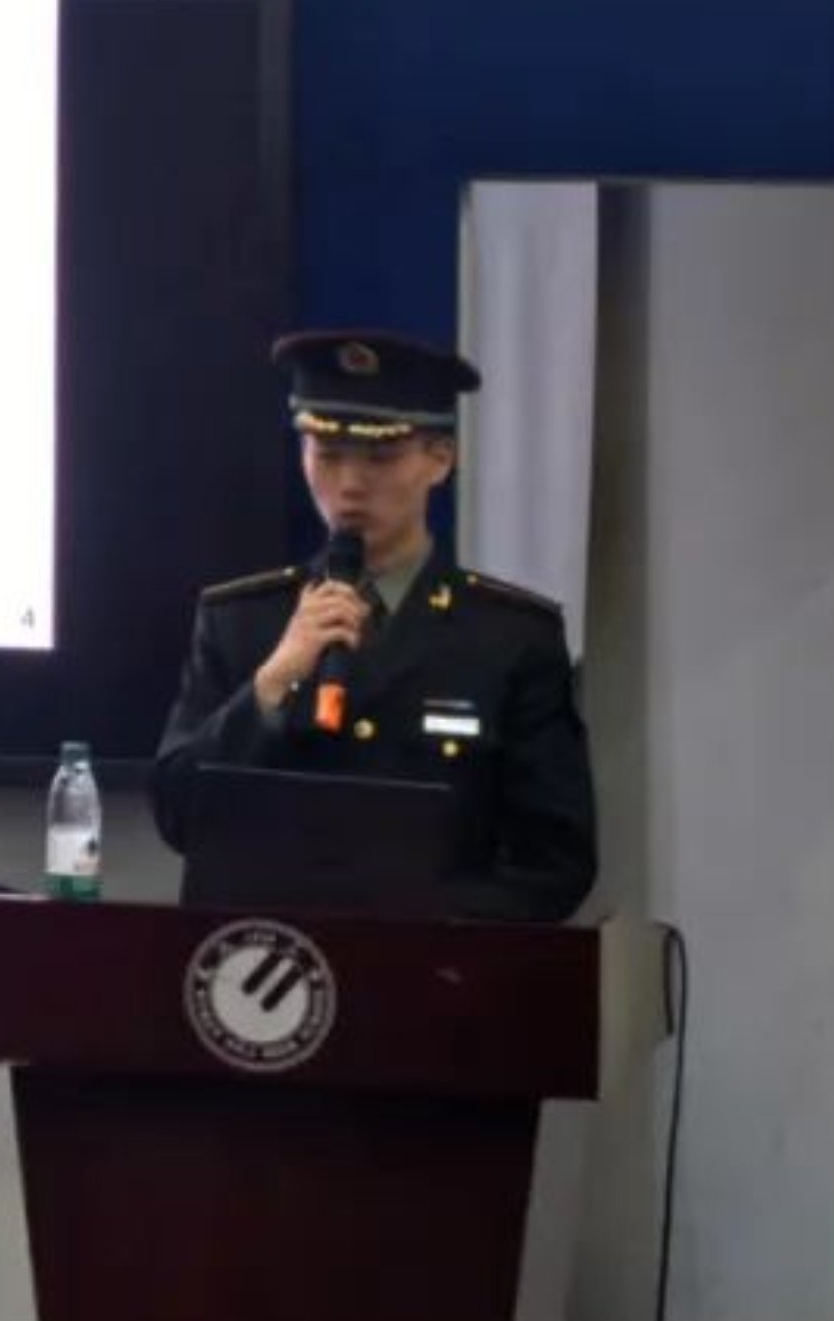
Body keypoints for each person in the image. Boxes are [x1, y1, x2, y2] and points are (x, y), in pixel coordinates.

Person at [151, 329, 598, 923]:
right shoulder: (240, 622)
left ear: (440, 459)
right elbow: (179, 815)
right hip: (268, 960)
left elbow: (556, 863)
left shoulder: (511, 638)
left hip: (436, 960)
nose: (351, 484)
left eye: (381, 458)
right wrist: (271, 686)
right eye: (328, 455)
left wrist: (411, 912)